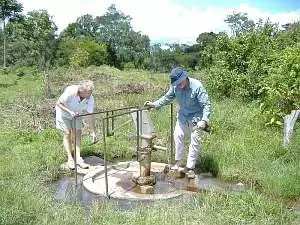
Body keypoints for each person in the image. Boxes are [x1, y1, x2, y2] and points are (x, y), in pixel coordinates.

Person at [144, 67, 211, 178]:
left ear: (185, 78)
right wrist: (154, 104)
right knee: (177, 135)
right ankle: (178, 162)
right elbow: (167, 98)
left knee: (195, 140)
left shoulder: (197, 86)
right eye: (176, 83)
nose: (179, 85)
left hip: (196, 118)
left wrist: (204, 120)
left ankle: (190, 167)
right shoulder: (175, 86)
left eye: (180, 82)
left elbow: (206, 105)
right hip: (183, 116)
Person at [55, 80, 97, 169]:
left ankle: (78, 158)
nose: (91, 94)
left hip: (77, 113)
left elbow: (90, 115)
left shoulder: (90, 98)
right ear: (82, 92)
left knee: (78, 132)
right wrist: (70, 112)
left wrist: (93, 131)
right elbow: (59, 103)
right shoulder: (70, 92)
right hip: (64, 112)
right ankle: (70, 159)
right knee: (67, 133)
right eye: (89, 92)